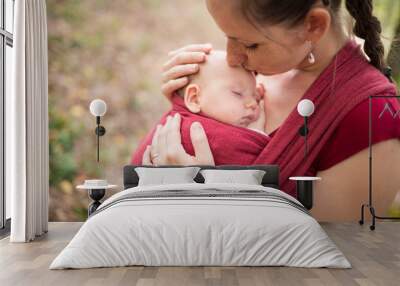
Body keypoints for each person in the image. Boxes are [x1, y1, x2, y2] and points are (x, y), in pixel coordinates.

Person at [138, 0, 400, 221]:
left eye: (250, 45)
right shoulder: (243, 72)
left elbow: (330, 260)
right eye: (227, 36)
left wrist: (207, 200)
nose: (231, 58)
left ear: (313, 25)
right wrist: (185, 110)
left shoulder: (372, 117)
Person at [131, 50, 272, 166]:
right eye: (237, 93)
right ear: (194, 98)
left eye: (256, 97)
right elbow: (257, 161)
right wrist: (257, 133)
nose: (253, 104)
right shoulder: (202, 132)